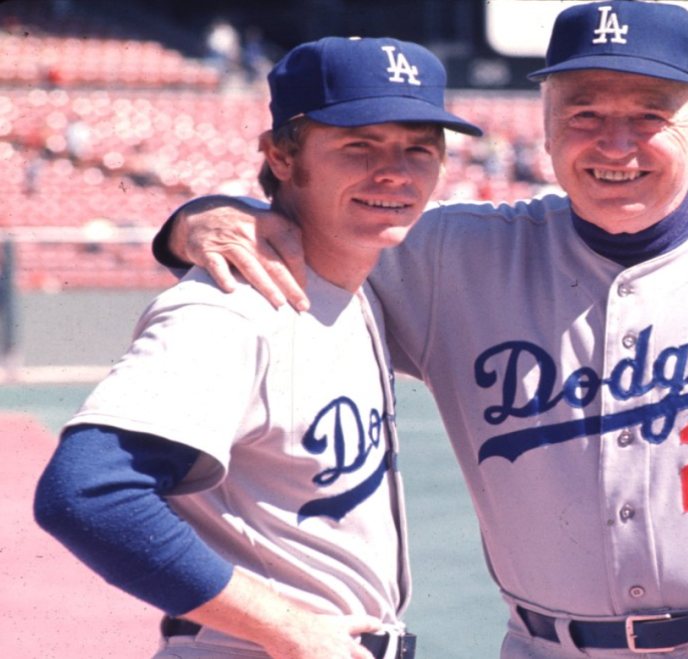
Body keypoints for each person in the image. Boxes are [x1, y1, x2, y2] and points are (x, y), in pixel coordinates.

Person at [153, 2, 688, 657]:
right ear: (543, 125)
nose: (614, 142)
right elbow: (309, 218)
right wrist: (197, 217)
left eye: (648, 114)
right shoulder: (449, 255)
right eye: (583, 113)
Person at [35, 36, 482, 659]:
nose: (395, 172)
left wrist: (198, 216)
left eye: (419, 149)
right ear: (279, 156)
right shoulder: (231, 307)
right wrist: (290, 631)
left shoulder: (359, 284)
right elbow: (89, 494)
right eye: (359, 145)